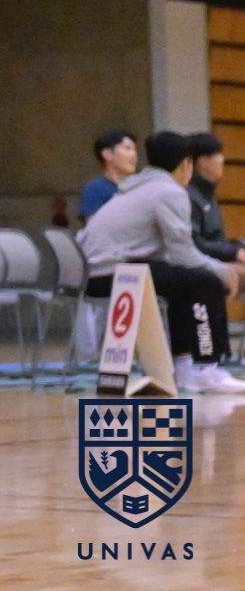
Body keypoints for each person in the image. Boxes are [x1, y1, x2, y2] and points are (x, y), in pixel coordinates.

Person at [77, 130, 245, 394]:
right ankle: (207, 368)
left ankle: (184, 366)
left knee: (183, 282)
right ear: (187, 164)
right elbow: (183, 254)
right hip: (119, 274)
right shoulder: (169, 191)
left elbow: (172, 255)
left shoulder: (135, 187)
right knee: (206, 281)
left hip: (97, 275)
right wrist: (223, 270)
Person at [185, 133, 242, 266]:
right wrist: (233, 252)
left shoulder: (208, 193)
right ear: (203, 161)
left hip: (217, 261)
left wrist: (235, 249)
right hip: (201, 265)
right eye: (217, 154)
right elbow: (194, 244)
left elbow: (217, 240)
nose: (222, 159)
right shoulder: (188, 195)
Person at [80, 128, 139, 221]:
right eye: (128, 148)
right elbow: (94, 226)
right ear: (107, 154)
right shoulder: (95, 188)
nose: (134, 154)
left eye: (134, 149)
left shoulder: (140, 186)